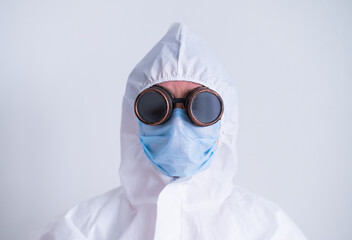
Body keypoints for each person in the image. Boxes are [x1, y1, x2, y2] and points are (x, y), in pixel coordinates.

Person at [31, 23, 308, 240]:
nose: (177, 123)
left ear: (225, 120)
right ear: (133, 117)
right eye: (155, 106)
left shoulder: (269, 231)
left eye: (201, 106)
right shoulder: (80, 230)